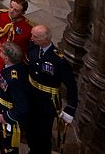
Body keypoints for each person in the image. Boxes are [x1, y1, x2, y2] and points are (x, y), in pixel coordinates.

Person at [26, 25, 78, 154]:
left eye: (35, 37)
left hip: (47, 102)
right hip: (31, 96)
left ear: (46, 39)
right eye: (32, 35)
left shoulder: (58, 60)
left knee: (43, 134)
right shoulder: (33, 48)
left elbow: (71, 85)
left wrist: (71, 108)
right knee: (30, 129)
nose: (31, 38)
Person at [0, 42, 30, 154]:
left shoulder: (14, 79)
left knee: (8, 147)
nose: (0, 53)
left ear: (7, 58)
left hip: (9, 118)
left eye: (1, 52)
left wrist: (7, 117)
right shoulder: (11, 68)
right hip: (2, 112)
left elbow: (22, 106)